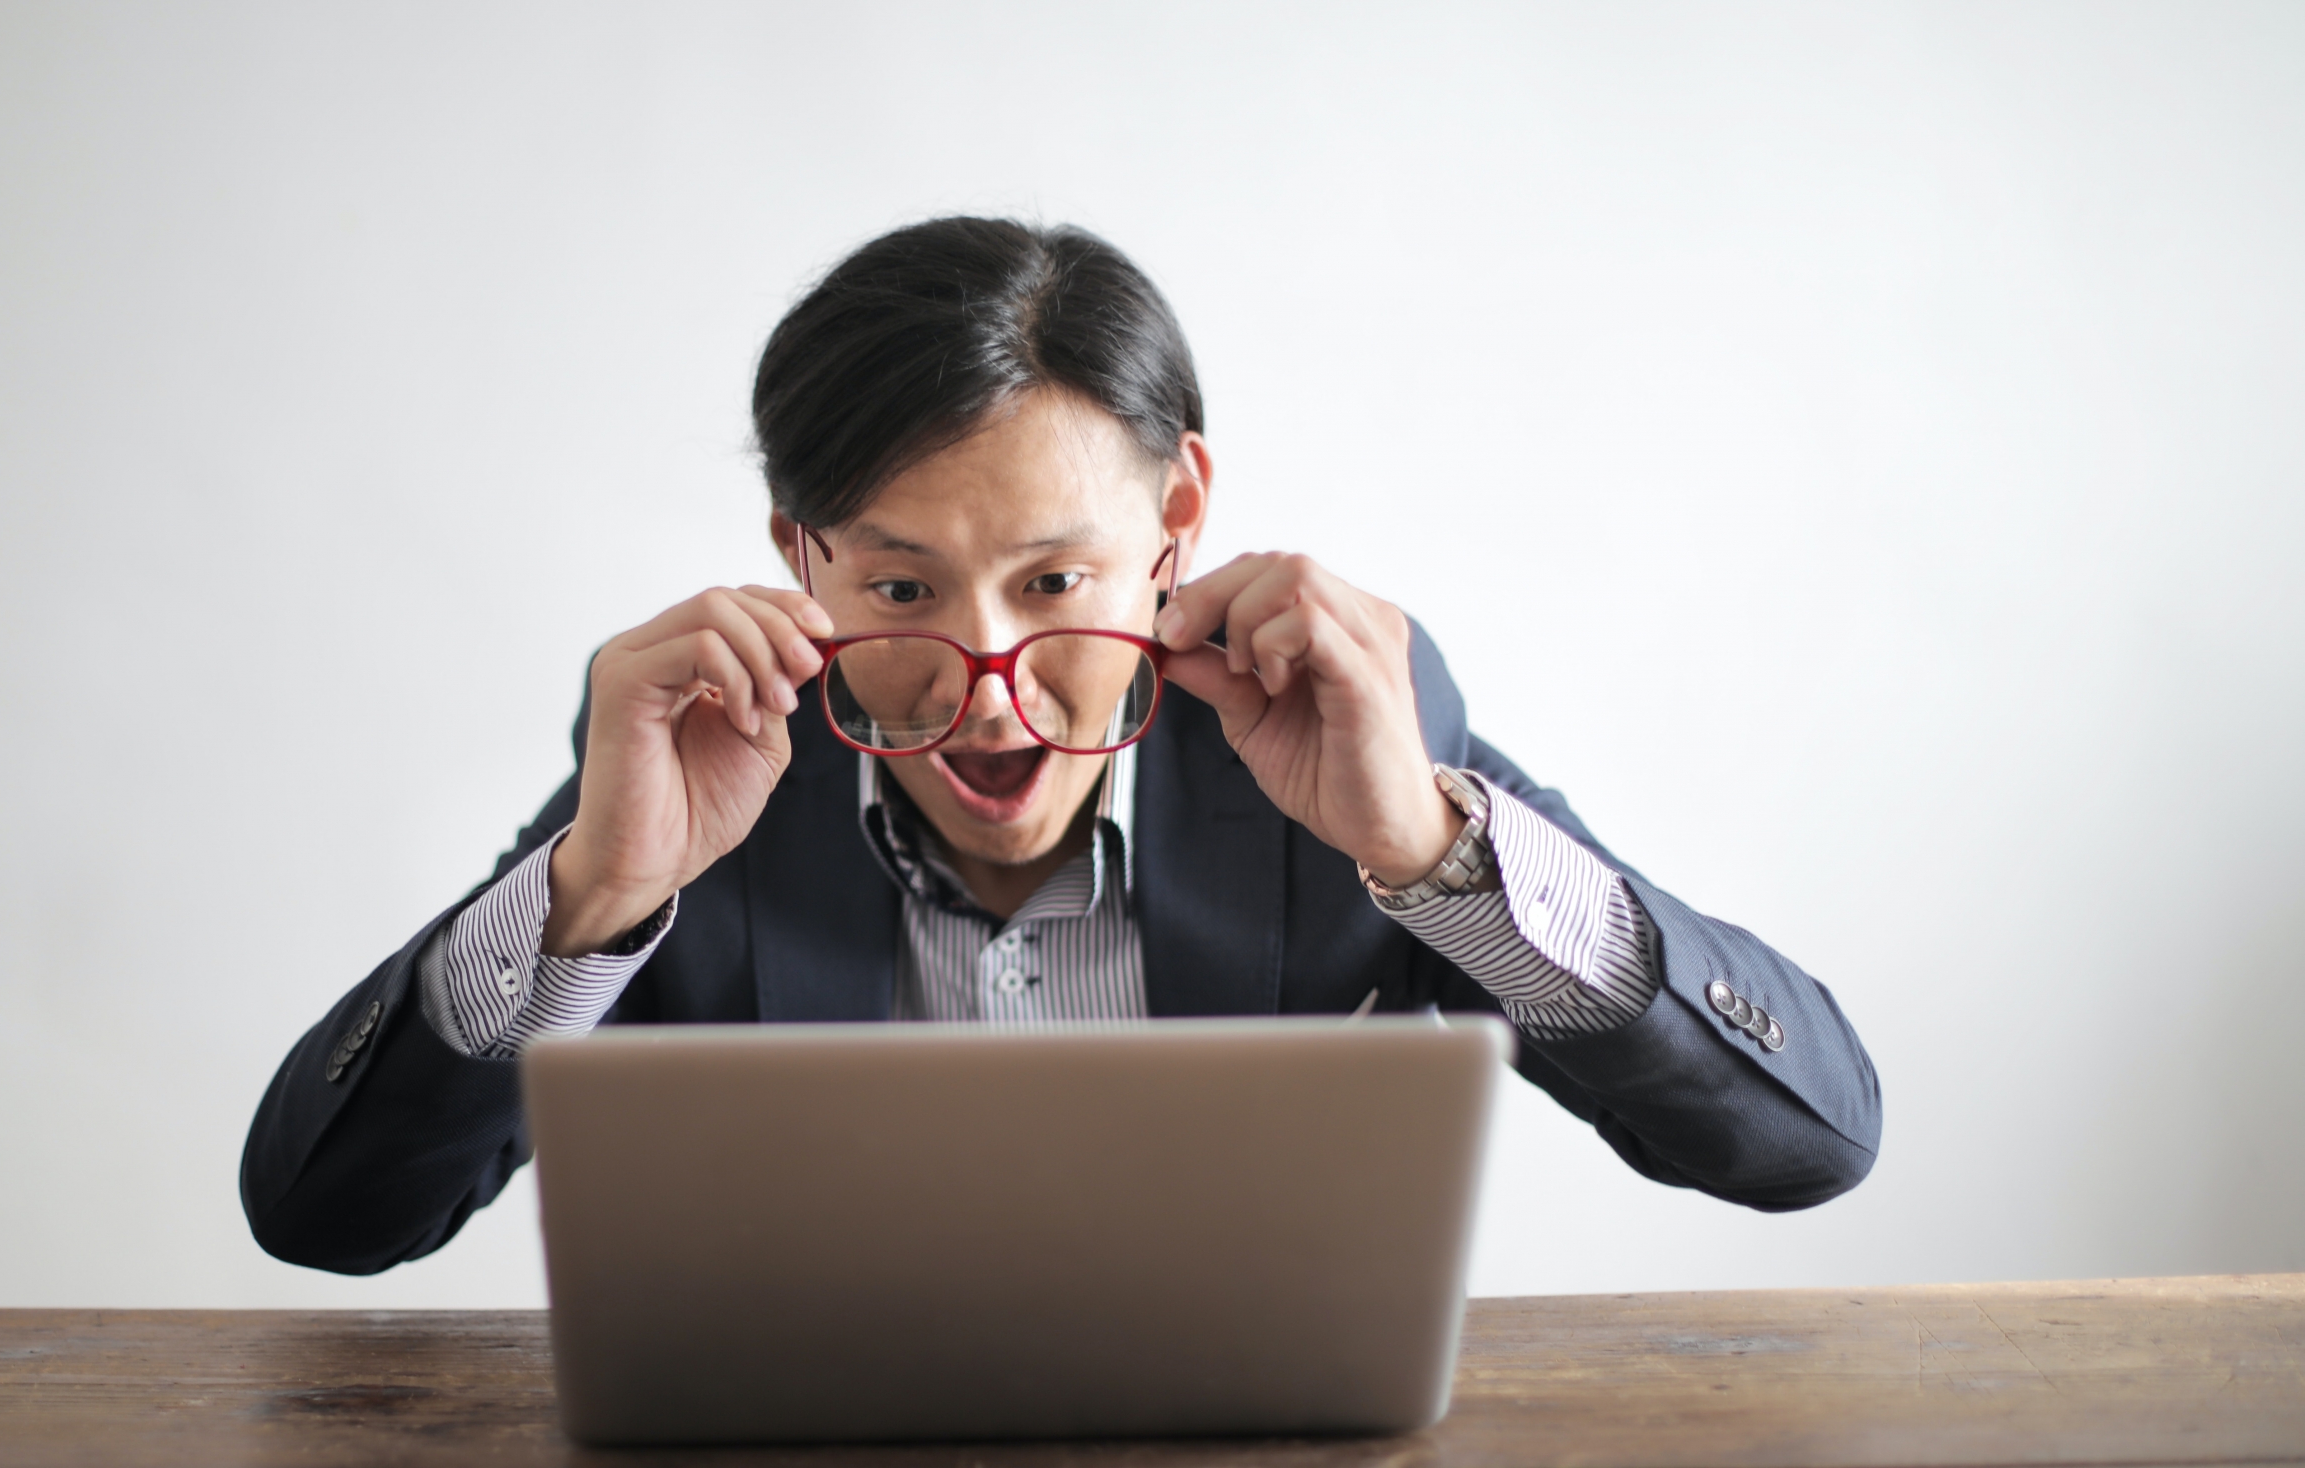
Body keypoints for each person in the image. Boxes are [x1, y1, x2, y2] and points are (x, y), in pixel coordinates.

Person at [242, 217, 1881, 1277]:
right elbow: (327, 1218)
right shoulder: (706, 767)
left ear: (1175, 526)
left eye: (1054, 584)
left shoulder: (1343, 732)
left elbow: (1807, 1144)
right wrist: (591, 900)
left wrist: (1433, 858)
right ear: (798, 555)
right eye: (899, 586)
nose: (989, 683)